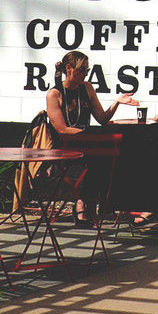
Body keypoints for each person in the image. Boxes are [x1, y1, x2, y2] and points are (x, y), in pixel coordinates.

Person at [42, 50, 139, 220]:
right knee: (100, 155)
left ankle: (87, 201)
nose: (85, 74)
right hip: (66, 145)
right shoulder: (55, 94)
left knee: (112, 154)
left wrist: (117, 102)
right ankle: (88, 202)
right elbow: (62, 130)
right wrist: (88, 134)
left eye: (87, 70)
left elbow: (101, 118)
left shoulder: (86, 88)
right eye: (82, 70)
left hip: (88, 142)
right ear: (69, 68)